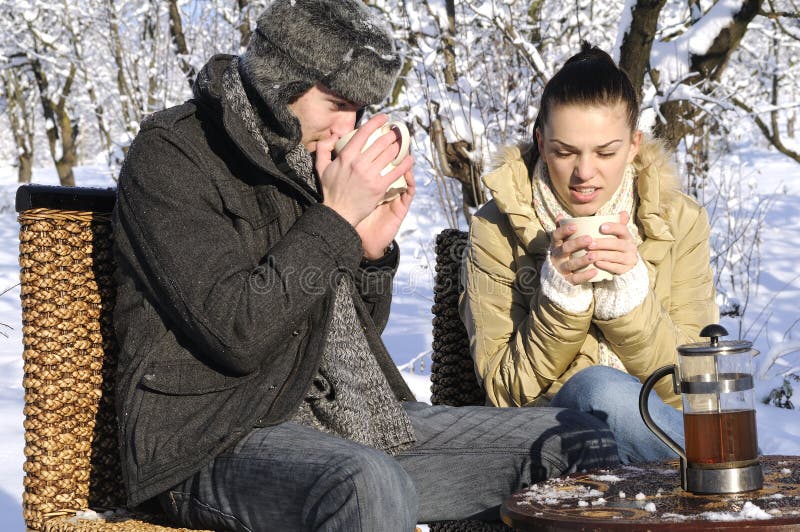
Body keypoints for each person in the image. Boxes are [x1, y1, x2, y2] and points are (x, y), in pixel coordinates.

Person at [112, 3, 619, 531]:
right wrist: (336, 219)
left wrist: (368, 253)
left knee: (577, 444)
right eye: (336, 103)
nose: (347, 126)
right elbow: (236, 332)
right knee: (365, 482)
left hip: (350, 420)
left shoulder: (311, 153)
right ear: (281, 78)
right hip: (214, 437)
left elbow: (343, 334)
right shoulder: (173, 155)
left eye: (359, 108)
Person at [460, 42, 719, 465]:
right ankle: (734, 474)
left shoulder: (680, 219)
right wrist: (560, 298)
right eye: (565, 152)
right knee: (597, 388)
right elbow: (504, 392)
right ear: (541, 144)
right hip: (552, 446)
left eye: (605, 152)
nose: (584, 173)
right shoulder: (495, 229)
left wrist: (631, 302)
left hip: (658, 440)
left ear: (634, 145)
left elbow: (697, 387)